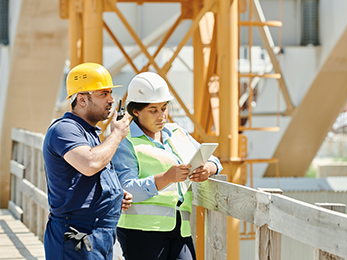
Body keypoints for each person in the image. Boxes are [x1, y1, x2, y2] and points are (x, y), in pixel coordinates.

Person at [111, 72, 223, 260]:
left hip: (180, 228)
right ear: (135, 111)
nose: (162, 116)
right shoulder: (125, 143)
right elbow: (125, 189)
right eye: (153, 110)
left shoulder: (177, 132)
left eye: (164, 108)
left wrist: (208, 169)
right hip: (141, 233)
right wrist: (166, 178)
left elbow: (215, 161)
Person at [42, 62, 132, 260]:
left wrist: (114, 194)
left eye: (110, 93)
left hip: (98, 235)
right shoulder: (64, 129)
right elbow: (90, 164)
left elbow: (89, 176)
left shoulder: (89, 133)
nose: (111, 100)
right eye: (103, 94)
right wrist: (116, 135)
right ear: (81, 99)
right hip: (76, 236)